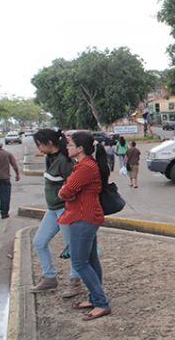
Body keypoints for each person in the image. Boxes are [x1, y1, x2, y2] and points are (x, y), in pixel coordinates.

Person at [58, 132, 111, 321]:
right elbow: (69, 190)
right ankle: (95, 298)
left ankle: (101, 303)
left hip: (83, 217)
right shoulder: (83, 165)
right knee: (91, 260)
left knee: (80, 263)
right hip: (87, 215)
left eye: (70, 144)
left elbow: (65, 192)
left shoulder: (85, 168)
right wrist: (68, 191)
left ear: (80, 148)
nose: (67, 147)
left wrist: (66, 192)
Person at [30, 129, 84, 297]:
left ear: (49, 143)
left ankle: (75, 282)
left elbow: (75, 185)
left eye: (39, 144)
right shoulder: (50, 158)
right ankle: (49, 277)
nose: (38, 148)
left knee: (71, 247)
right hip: (53, 210)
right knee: (39, 242)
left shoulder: (65, 161)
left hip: (65, 209)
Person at [0, 140, 20, 219]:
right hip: (5, 178)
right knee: (5, 196)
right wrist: (17, 175)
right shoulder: (7, 154)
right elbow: (14, 165)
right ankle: (4, 214)